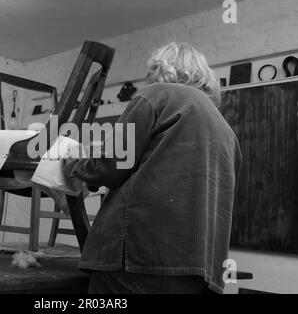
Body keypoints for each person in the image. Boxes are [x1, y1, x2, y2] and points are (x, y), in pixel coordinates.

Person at [62, 42, 242, 294]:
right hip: (200, 269)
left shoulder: (159, 94)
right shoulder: (226, 130)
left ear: (165, 68)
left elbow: (112, 163)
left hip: (141, 257)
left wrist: (73, 164)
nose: (149, 79)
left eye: (151, 72)